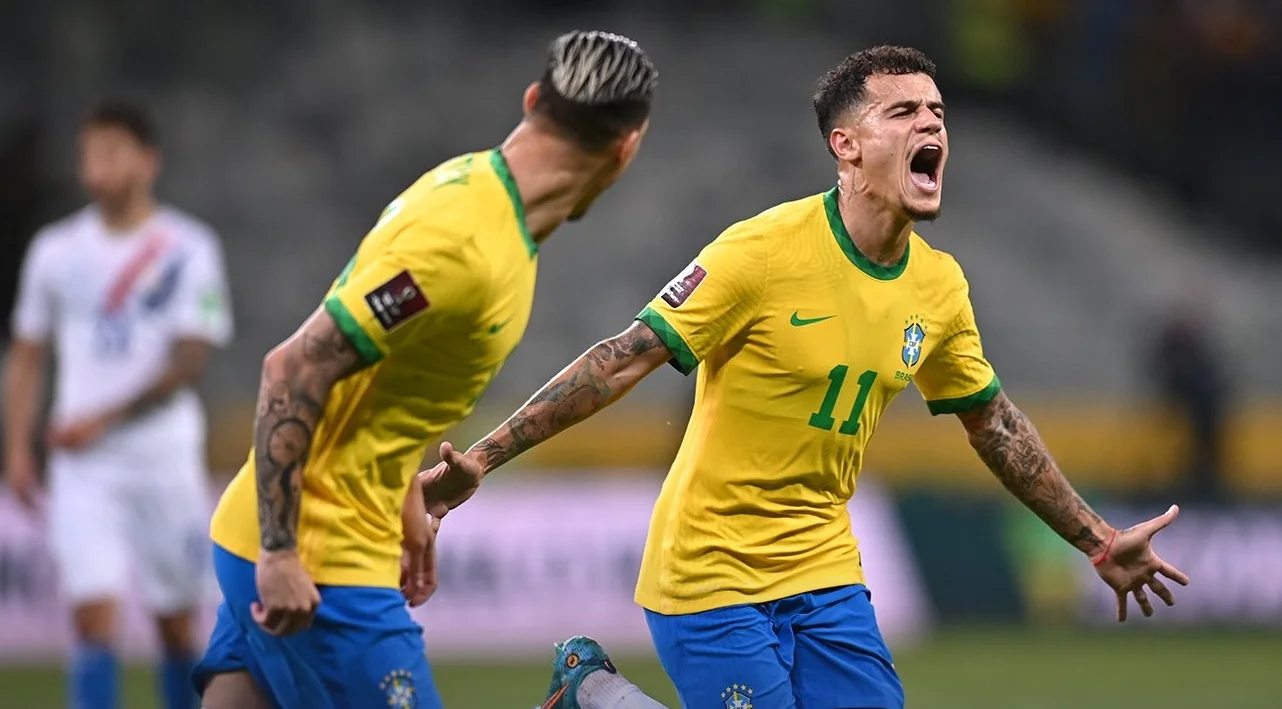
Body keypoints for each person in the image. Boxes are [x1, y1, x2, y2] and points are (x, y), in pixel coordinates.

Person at [420, 45, 1192, 709]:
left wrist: (1097, 540)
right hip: (710, 569)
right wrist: (482, 457)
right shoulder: (761, 252)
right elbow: (623, 358)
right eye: (903, 112)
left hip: (825, 570)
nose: (930, 126)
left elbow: (994, 425)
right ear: (845, 145)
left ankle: (593, 693)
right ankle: (596, 691)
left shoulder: (939, 287)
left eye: (937, 112)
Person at [192, 30, 659, 709]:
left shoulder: (472, 191)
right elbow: (293, 367)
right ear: (626, 148)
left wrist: (404, 497)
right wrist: (282, 552)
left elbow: (380, 379)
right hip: (321, 563)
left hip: (278, 535)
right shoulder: (465, 245)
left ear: (533, 99)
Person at [3, 101, 234, 709]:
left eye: (111, 151)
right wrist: (16, 447)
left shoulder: (189, 247)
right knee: (91, 616)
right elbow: (27, 354)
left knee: (175, 622)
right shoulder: (55, 250)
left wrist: (102, 420)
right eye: (88, 153)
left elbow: (190, 360)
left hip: (162, 455)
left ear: (148, 161)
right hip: (83, 466)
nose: (96, 165)